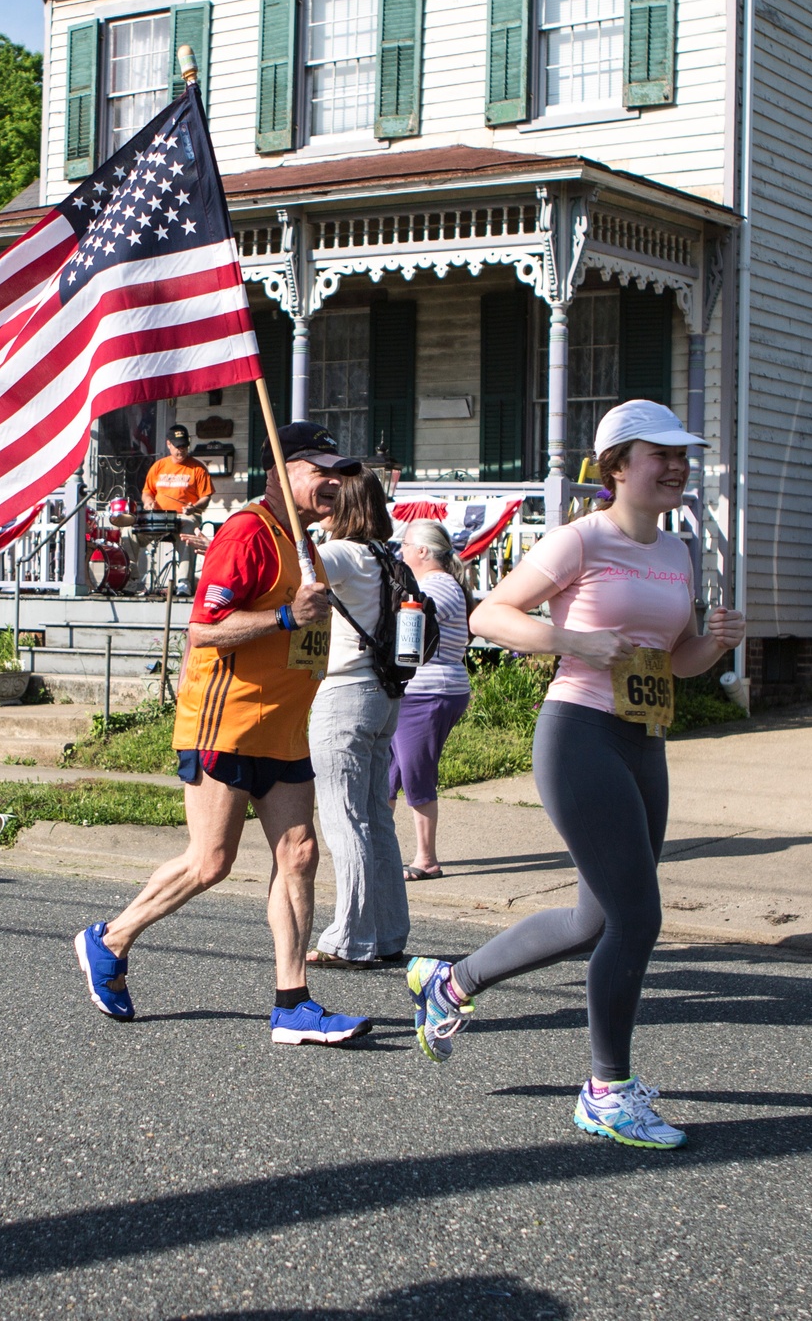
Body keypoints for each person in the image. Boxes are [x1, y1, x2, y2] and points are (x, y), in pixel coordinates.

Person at [406, 400, 746, 1150]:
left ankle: (450, 982)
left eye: (683, 454)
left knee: (592, 921)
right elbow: (493, 614)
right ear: (619, 465)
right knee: (639, 918)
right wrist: (573, 640)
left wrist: (714, 645)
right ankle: (606, 1090)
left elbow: (676, 659)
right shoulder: (581, 539)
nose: (678, 465)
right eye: (663, 454)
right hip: (580, 735)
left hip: (643, 739)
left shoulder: (677, 550)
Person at [75, 420, 373, 1047]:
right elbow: (204, 629)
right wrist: (287, 615)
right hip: (227, 720)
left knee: (299, 854)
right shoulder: (247, 532)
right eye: (321, 471)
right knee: (211, 861)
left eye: (339, 474)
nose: (333, 484)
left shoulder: (306, 543)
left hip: (285, 728)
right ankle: (110, 940)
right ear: (281, 471)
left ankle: (292, 1003)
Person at [306, 468, 409, 969]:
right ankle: (388, 932)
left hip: (345, 692)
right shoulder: (388, 555)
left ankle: (349, 938)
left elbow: (294, 573)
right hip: (385, 692)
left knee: (345, 819)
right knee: (375, 817)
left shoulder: (343, 553)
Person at [388, 520, 474, 881]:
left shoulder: (434, 586)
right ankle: (381, 849)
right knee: (387, 774)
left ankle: (426, 859)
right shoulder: (439, 584)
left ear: (422, 551)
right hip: (423, 690)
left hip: (428, 692)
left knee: (415, 774)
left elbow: (409, 631)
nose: (401, 551)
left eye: (405, 545)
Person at [140, 424, 213, 595]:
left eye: (184, 446)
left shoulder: (198, 468)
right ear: (168, 444)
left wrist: (194, 507)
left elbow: (206, 497)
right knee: (130, 531)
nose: (181, 450)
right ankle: (133, 581)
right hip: (159, 518)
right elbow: (146, 492)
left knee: (188, 529)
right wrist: (148, 502)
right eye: (177, 446)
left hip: (184, 517)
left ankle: (183, 583)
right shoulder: (159, 466)